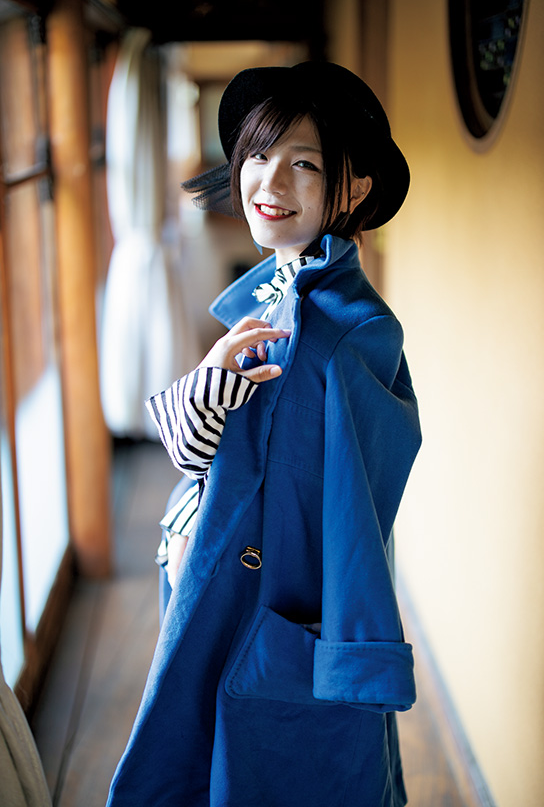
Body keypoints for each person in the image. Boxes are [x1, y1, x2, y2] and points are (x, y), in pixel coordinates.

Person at [107, 61, 422, 807]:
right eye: (257, 154)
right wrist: (211, 380)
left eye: (303, 163)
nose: (269, 181)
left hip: (271, 613)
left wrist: (352, 658)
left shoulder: (350, 338)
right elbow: (200, 453)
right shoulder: (273, 297)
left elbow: (357, 521)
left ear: (354, 188)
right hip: (218, 586)